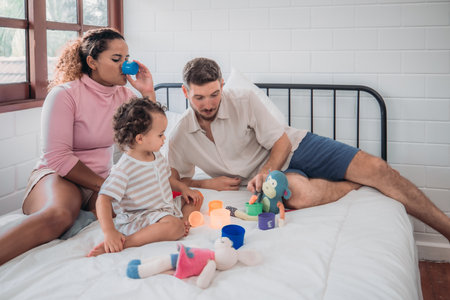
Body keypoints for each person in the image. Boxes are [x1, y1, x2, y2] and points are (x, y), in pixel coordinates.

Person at [168, 57, 450, 242]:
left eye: (215, 94)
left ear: (223, 87)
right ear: (185, 93)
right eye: (199, 97)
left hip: (295, 148)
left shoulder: (243, 100)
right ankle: (353, 184)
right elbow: (172, 180)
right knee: (299, 197)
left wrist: (266, 170)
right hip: (274, 182)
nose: (208, 104)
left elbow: (281, 142)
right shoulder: (181, 134)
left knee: (377, 169)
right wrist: (207, 182)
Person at [0, 28, 156, 266]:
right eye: (116, 59)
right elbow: (57, 157)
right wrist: (107, 185)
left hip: (99, 180)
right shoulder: (65, 95)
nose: (126, 66)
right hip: (60, 175)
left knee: (130, 214)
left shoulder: (124, 95)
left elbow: (149, 138)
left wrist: (147, 93)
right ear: (92, 62)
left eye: (127, 59)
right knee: (60, 215)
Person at [87, 98, 202, 257]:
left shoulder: (156, 155)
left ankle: (184, 222)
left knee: (196, 197)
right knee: (174, 227)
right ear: (140, 139)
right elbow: (103, 199)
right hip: (140, 217)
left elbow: (166, 179)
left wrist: (183, 188)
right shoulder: (124, 168)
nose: (164, 139)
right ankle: (127, 242)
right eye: (161, 134)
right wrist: (109, 232)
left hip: (163, 207)